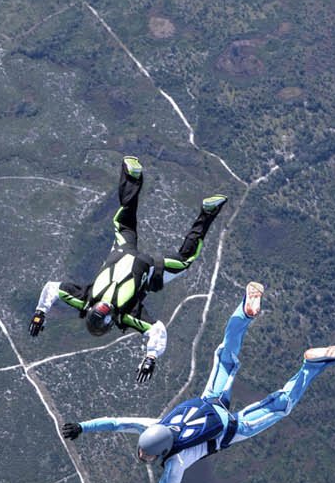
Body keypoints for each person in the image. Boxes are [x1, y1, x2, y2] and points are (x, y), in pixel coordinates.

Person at [63, 284, 335, 483]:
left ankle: (311, 367)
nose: (144, 457)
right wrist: (82, 427)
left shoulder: (175, 460)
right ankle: (243, 313)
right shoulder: (153, 426)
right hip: (211, 400)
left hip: (231, 429)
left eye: (146, 455)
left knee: (280, 406)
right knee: (226, 354)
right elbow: (116, 422)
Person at [31, 155, 226, 375]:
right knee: (125, 221)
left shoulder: (126, 315)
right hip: (123, 250)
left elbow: (158, 330)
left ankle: (208, 212)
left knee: (185, 260)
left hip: (148, 267)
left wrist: (151, 356)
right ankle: (131, 176)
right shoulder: (84, 299)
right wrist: (40, 312)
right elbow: (51, 288)